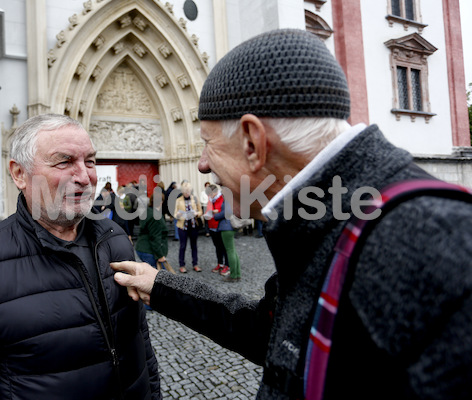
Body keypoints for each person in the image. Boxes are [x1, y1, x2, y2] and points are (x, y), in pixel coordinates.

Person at [110, 29, 472, 399]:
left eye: (208, 143)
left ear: (252, 143)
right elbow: (278, 330)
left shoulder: (443, 247)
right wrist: (161, 286)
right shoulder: (332, 215)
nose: (202, 165)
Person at [0, 114, 161, 399]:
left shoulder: (116, 240)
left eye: (90, 161)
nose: (84, 176)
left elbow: (141, 344)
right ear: (19, 174)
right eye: (64, 161)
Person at [210, 185, 240, 281]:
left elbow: (225, 213)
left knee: (230, 251)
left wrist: (215, 215)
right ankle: (237, 274)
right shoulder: (231, 200)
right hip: (229, 227)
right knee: (233, 251)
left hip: (226, 227)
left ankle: (233, 275)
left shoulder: (227, 200)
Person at [135, 189, 168, 270]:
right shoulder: (155, 216)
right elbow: (154, 238)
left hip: (141, 248)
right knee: (159, 276)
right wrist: (160, 255)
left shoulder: (148, 211)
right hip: (149, 251)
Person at [174, 181, 203, 273]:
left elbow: (200, 211)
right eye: (185, 192)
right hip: (182, 227)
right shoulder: (178, 200)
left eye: (189, 191)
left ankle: (195, 264)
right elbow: (175, 214)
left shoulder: (195, 199)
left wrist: (196, 214)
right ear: (182, 192)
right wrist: (178, 215)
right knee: (183, 246)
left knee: (194, 246)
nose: (187, 193)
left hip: (193, 226)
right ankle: (182, 265)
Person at [205, 184, 228, 274]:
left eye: (210, 194)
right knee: (217, 247)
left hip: (220, 226)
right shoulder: (210, 200)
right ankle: (220, 263)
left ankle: (227, 265)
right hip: (212, 226)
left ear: (215, 192)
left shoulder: (222, 199)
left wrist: (216, 211)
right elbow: (208, 210)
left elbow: (223, 211)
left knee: (224, 247)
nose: (209, 196)